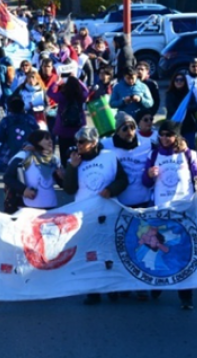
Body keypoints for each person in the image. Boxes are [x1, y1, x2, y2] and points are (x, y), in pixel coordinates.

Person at [142, 120, 197, 310]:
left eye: (168, 135)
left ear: (176, 136)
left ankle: (186, 296)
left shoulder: (188, 155)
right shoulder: (153, 154)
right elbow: (145, 183)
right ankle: (157, 286)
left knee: (182, 254)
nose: (164, 138)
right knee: (157, 249)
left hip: (183, 213)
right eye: (161, 134)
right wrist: (149, 174)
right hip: (159, 211)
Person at [63, 126, 128, 305]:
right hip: (85, 214)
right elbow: (69, 189)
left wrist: (111, 189)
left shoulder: (109, 156)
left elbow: (123, 180)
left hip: (108, 211)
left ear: (93, 142)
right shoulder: (75, 160)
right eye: (77, 142)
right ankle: (93, 291)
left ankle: (112, 288)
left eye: (82, 142)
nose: (78, 145)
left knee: (109, 251)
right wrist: (72, 167)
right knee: (89, 253)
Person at [3, 130, 65, 211]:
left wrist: (63, 177)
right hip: (28, 205)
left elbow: (62, 184)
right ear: (37, 141)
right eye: (46, 139)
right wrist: (23, 190)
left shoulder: (53, 159)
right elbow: (8, 177)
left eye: (51, 138)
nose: (50, 141)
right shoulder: (23, 156)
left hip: (50, 204)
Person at [102, 112, 153, 208]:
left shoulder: (146, 144)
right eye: (125, 128)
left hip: (144, 202)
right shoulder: (106, 145)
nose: (129, 131)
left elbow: (166, 146)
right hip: (118, 204)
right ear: (117, 131)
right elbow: (89, 149)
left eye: (132, 127)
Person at [0, 97, 40, 177]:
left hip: (9, 148)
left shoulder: (6, 120)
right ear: (23, 108)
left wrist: (3, 140)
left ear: (10, 109)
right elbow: (37, 131)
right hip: (28, 147)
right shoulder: (29, 118)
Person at [47, 60, 88, 161]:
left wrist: (57, 82)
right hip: (78, 128)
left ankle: (66, 171)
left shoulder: (62, 96)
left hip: (63, 128)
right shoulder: (81, 96)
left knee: (64, 152)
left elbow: (49, 93)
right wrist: (77, 80)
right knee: (79, 151)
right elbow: (86, 91)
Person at [165, 73, 197, 145]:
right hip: (174, 126)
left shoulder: (189, 94)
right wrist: (181, 110)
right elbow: (170, 109)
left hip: (188, 126)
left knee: (189, 147)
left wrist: (186, 108)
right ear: (173, 82)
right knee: (174, 148)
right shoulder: (169, 94)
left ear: (185, 82)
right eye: (176, 80)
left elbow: (195, 106)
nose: (179, 82)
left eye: (181, 80)